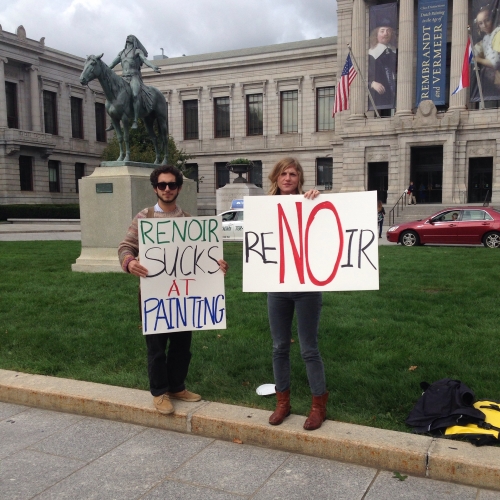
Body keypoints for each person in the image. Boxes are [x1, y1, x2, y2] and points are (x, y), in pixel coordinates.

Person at [118, 165, 228, 415]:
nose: (167, 189)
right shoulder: (143, 218)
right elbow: (126, 245)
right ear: (155, 188)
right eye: (161, 185)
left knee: (181, 345)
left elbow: (204, 257)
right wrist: (129, 262)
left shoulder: (189, 221)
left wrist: (218, 265)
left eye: (171, 185)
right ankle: (159, 392)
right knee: (156, 347)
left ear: (178, 187)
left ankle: (177, 386)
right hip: (154, 295)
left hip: (184, 296)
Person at [266, 157, 328, 431]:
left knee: (308, 348)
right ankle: (283, 402)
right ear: (276, 178)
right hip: (277, 288)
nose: (288, 178)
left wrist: (315, 200)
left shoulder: (309, 202)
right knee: (279, 346)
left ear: (299, 178)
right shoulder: (265, 208)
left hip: (307, 289)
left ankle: (318, 406)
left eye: (293, 174)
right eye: (283, 174)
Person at [109, 35, 161, 129]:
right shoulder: (121, 53)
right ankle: (113, 121)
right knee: (112, 95)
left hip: (134, 77)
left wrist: (153, 66)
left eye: (131, 37)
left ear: (134, 41)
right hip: (124, 78)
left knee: (135, 94)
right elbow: (112, 64)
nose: (128, 38)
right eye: (128, 37)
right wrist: (103, 70)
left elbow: (144, 60)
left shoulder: (137, 51)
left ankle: (135, 120)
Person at [368, 21, 398, 109]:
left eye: (388, 31)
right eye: (382, 31)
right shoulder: (371, 54)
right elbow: (361, 76)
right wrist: (372, 83)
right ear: (376, 34)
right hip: (380, 98)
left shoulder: (394, 52)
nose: (386, 34)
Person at [473, 6, 500, 99]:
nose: (484, 25)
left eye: (487, 20)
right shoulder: (486, 37)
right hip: (492, 83)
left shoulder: (498, 34)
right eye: (480, 23)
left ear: (493, 18)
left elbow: (494, 63)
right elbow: (477, 49)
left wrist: (477, 59)